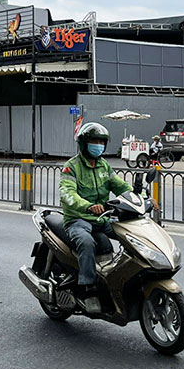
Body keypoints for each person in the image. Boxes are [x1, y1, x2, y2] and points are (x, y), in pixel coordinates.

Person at [59, 122, 135, 314]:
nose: (98, 145)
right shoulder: (71, 167)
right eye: (94, 141)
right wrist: (88, 206)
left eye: (101, 142)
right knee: (86, 242)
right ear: (84, 143)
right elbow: (67, 194)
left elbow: (120, 186)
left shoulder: (104, 165)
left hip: (102, 218)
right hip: (78, 219)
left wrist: (141, 198)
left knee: (131, 234)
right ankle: (88, 289)